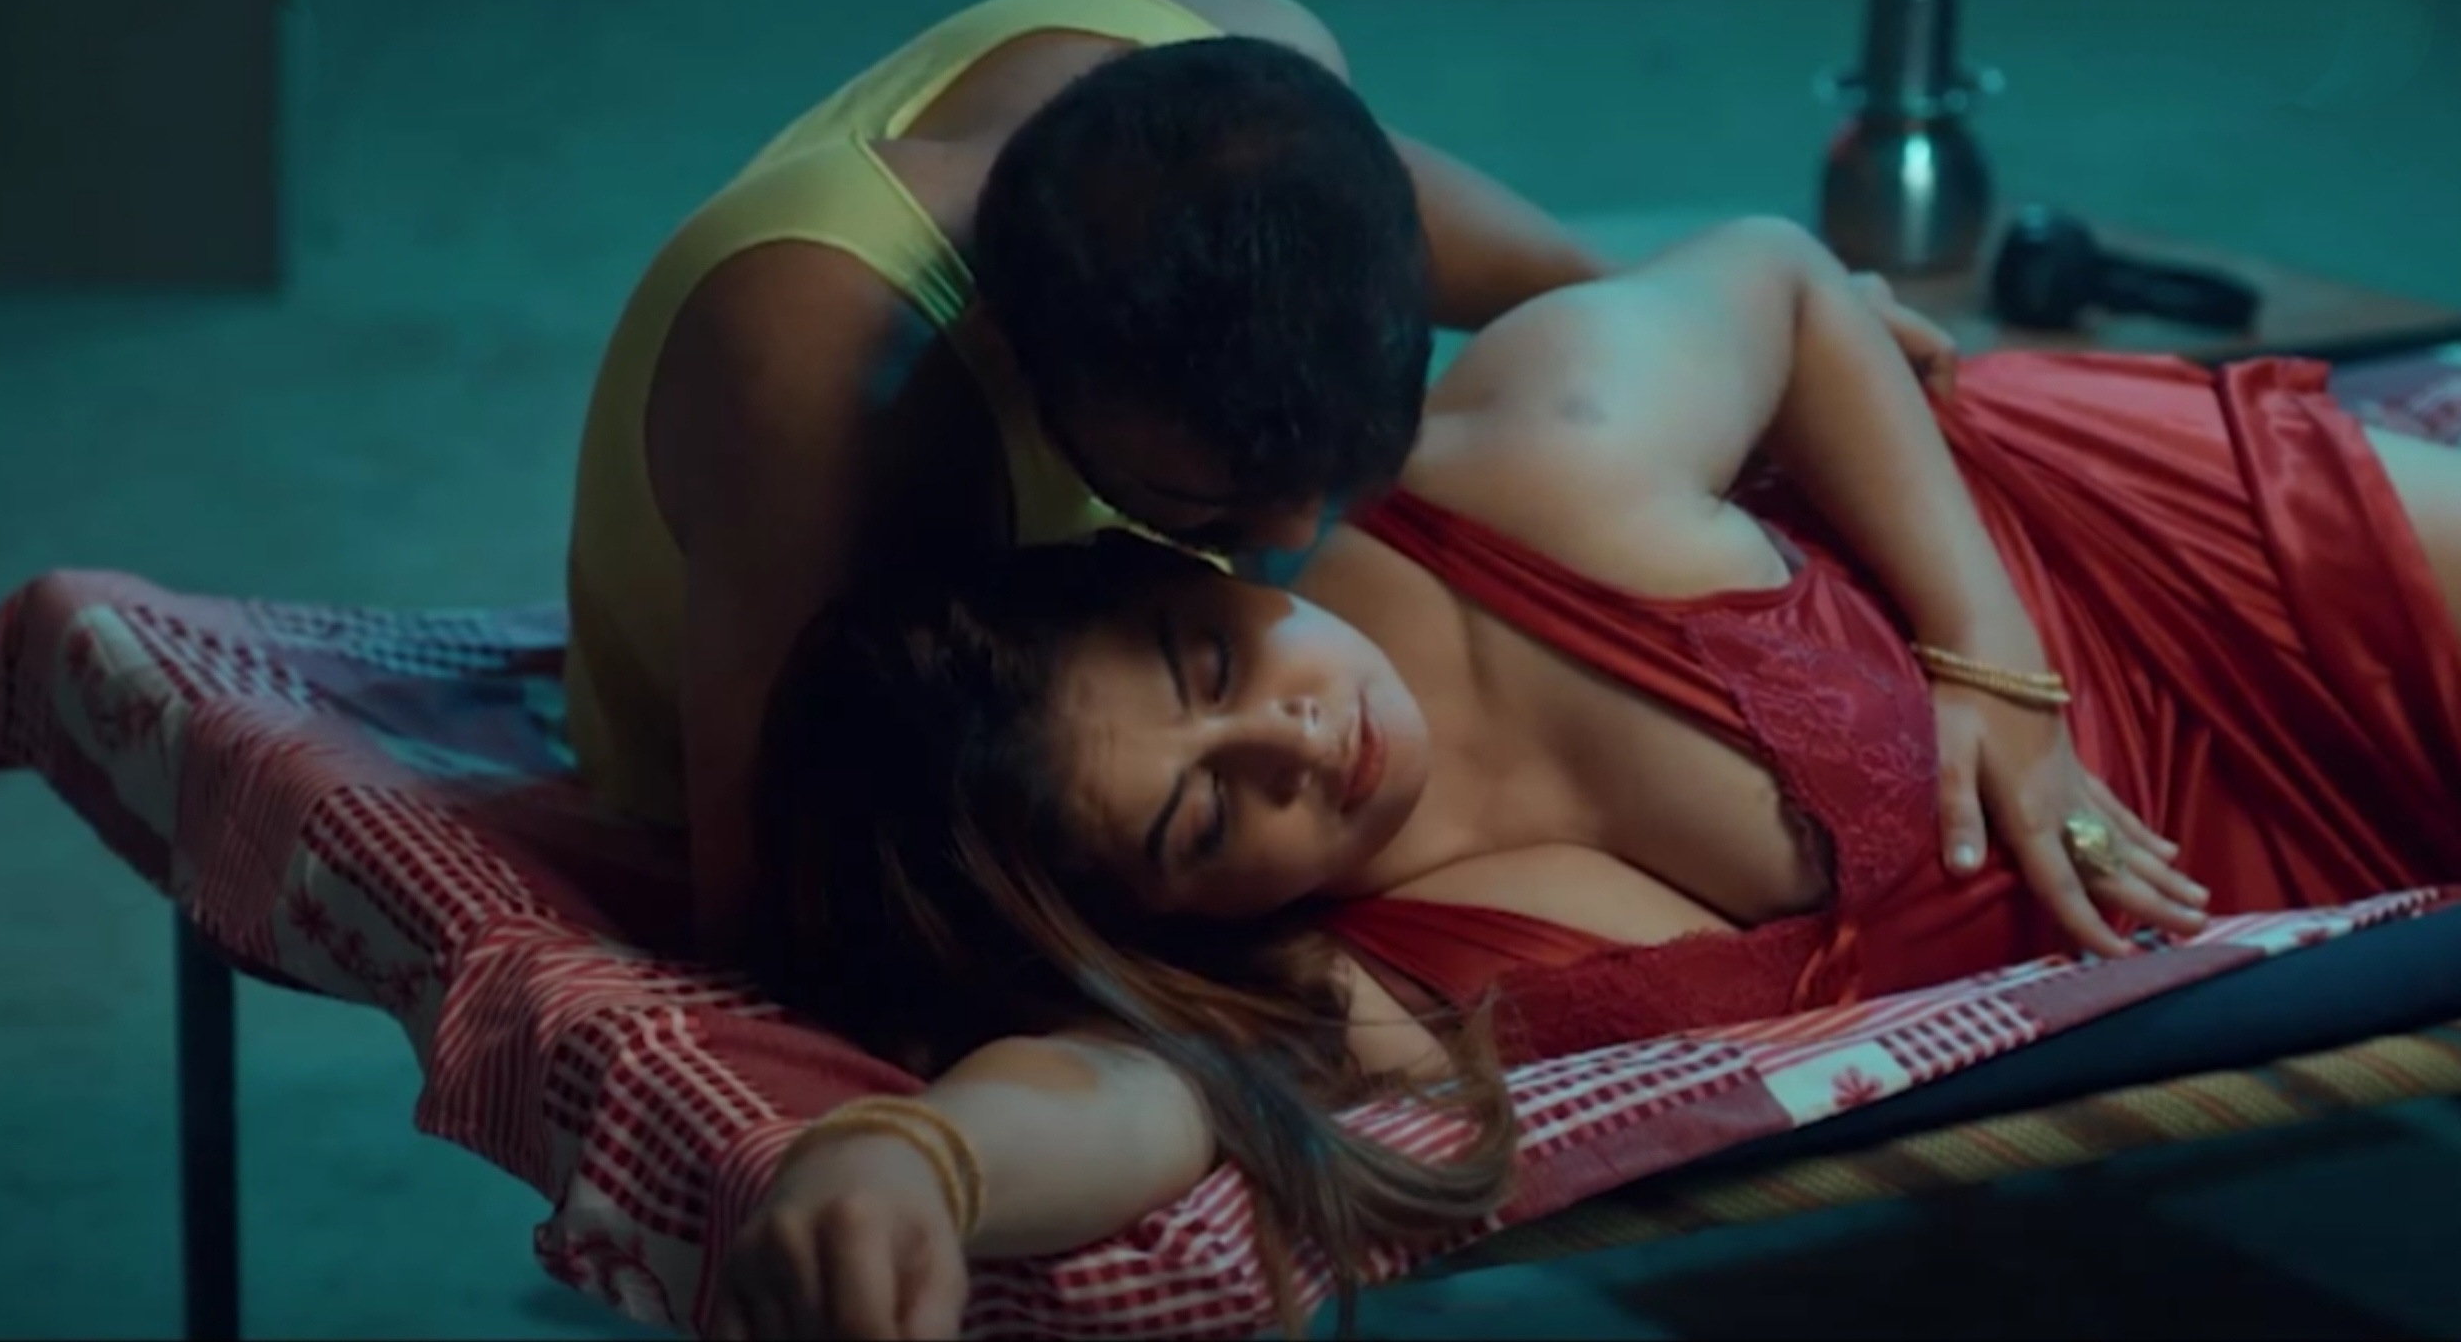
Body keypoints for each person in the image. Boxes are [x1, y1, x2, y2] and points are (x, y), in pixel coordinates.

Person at [723, 216, 2461, 1338]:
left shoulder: (1511, 468)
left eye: (1209, 664)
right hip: (2211, 889)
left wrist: (1997, 675)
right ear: (1152, 915)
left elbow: (1784, 279)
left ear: (1179, 566)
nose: (1295, 742)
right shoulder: (1356, 983)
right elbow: (1125, 1090)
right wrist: (914, 1160)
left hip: (2191, 573)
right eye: (1203, 813)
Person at [557, 0, 1627, 956]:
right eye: (1200, 503)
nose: (1291, 539)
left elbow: (1608, 309)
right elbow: (764, 906)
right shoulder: (815, 377)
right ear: (1006, 350)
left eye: (1343, 465)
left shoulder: (1259, 85)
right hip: (794, 753)